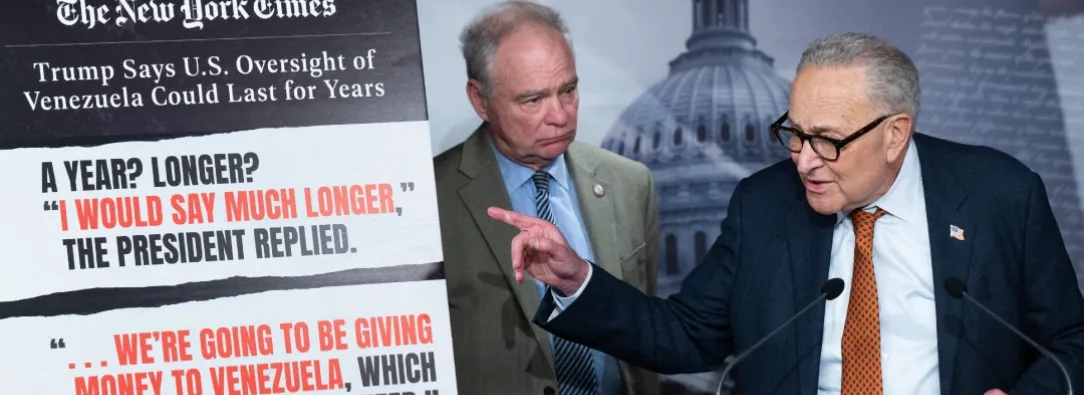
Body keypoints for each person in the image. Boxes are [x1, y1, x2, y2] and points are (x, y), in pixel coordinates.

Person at [488, 32, 1084, 395]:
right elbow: (687, 336)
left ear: (896, 133)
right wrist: (576, 280)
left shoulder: (999, 196)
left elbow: (1072, 341)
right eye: (794, 133)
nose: (803, 161)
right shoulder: (765, 204)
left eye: (827, 140)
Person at [432, 1, 661, 394]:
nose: (560, 115)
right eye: (533, 100)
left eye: (568, 90)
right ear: (480, 99)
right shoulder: (432, 197)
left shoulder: (630, 184)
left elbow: (648, 327)